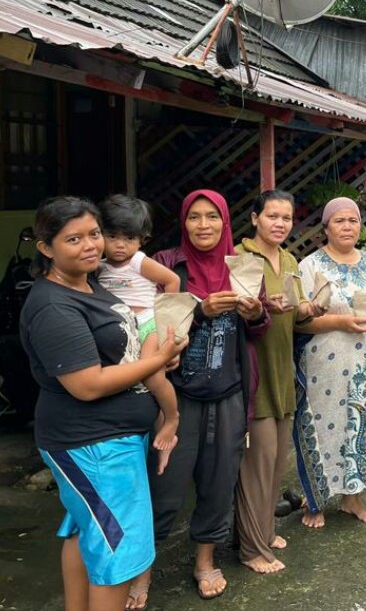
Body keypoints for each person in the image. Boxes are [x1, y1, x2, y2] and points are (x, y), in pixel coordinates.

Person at [20, 197, 186, 611]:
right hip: (92, 444)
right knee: (118, 550)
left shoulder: (90, 284)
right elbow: (88, 385)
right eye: (73, 239)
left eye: (94, 233)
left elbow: (122, 346)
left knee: (86, 532)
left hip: (109, 443)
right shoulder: (53, 305)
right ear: (46, 248)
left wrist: (155, 351)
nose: (91, 245)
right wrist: (157, 361)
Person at [135, 190, 269, 602]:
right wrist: (199, 311)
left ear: (226, 222)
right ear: (183, 221)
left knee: (218, 479)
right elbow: (145, 323)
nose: (204, 225)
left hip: (228, 392)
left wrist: (254, 313)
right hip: (176, 397)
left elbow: (260, 327)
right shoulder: (165, 265)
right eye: (195, 217)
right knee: (165, 482)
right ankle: (142, 571)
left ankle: (205, 561)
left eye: (213, 217)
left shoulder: (242, 265)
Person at [295, 196, 366, 524]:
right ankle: (315, 501)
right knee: (324, 427)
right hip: (325, 365)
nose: (347, 227)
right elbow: (299, 321)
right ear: (325, 228)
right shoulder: (311, 266)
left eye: (352, 221)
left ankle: (352, 499)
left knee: (362, 427)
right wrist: (341, 322)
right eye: (339, 221)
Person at [234, 190, 319, 574]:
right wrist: (263, 306)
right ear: (255, 218)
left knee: (274, 461)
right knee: (256, 463)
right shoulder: (240, 258)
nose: (280, 223)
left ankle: (264, 530)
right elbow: (235, 309)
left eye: (286, 217)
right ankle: (251, 550)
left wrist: (309, 308)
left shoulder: (288, 259)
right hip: (253, 369)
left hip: (283, 369)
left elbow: (297, 312)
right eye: (272, 216)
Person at [97, 194, 182, 477]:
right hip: (121, 327)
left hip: (146, 324)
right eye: (113, 236)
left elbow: (172, 280)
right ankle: (156, 430)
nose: (121, 245)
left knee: (152, 377)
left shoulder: (138, 262)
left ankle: (171, 419)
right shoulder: (98, 265)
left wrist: (167, 322)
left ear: (142, 240)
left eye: (129, 238)